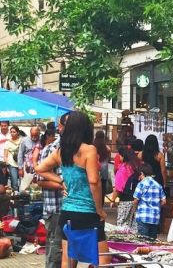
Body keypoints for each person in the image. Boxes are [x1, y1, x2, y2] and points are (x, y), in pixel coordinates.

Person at [35, 110, 108, 268]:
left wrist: (61, 181)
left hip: (67, 211)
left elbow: (40, 169)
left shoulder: (61, 151)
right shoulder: (89, 150)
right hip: (88, 211)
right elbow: (94, 181)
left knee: (68, 259)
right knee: (103, 259)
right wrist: (100, 210)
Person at [36, 117, 65, 268]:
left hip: (71, 208)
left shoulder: (77, 150)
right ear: (61, 128)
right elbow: (40, 180)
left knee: (66, 250)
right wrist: (62, 185)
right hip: (55, 208)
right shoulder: (50, 149)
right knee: (55, 249)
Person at [112, 144, 141, 231]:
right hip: (136, 200)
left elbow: (118, 188)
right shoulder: (135, 167)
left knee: (122, 225)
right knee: (133, 226)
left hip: (125, 200)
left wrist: (113, 200)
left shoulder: (122, 169)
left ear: (123, 156)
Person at [133, 164, 166, 240]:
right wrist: (156, 206)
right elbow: (164, 201)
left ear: (142, 173)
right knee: (152, 241)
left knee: (142, 241)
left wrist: (135, 210)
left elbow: (136, 200)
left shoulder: (141, 184)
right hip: (155, 217)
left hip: (143, 216)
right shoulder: (158, 185)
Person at [93, 129, 111, 195]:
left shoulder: (93, 146)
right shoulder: (106, 148)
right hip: (104, 171)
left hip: (94, 170)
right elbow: (108, 158)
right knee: (102, 189)